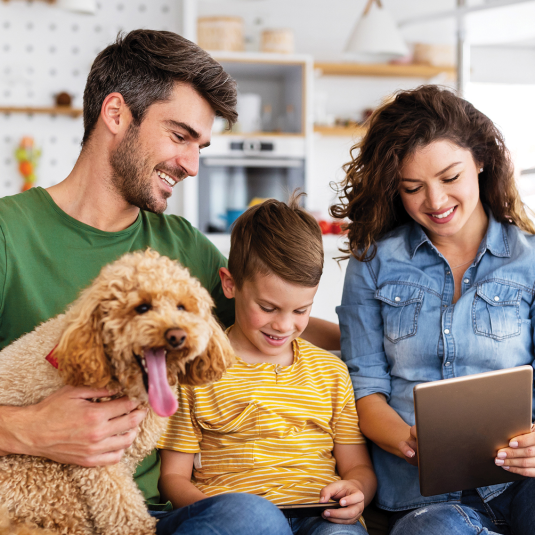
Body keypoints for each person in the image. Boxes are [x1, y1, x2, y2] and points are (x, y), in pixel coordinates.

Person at [0, 29, 294, 535]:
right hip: (32, 508)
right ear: (116, 114)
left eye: (199, 146)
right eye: (180, 136)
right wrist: (29, 430)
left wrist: (380, 336)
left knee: (251, 518)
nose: (192, 165)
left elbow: (275, 316)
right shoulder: (10, 233)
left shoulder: (182, 246)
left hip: (152, 515)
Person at [332, 84, 535, 535]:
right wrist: (409, 441)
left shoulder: (531, 260)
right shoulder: (372, 262)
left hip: (521, 483)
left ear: (480, 161)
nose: (436, 202)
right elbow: (363, 390)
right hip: (418, 493)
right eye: (413, 187)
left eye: (449, 177)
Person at [156, 195, 377, 535]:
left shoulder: (330, 373)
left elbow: (358, 467)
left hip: (320, 516)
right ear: (230, 284)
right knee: (257, 522)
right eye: (269, 307)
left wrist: (357, 491)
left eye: (301, 310)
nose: (284, 326)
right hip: (241, 519)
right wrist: (216, 510)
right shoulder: (195, 370)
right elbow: (172, 478)